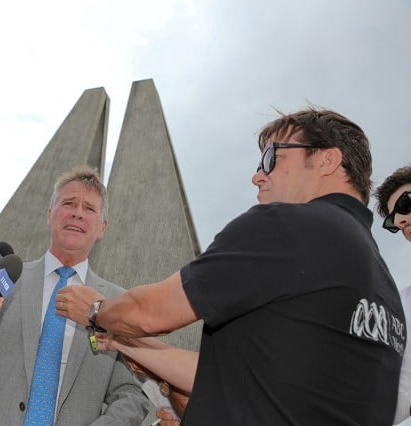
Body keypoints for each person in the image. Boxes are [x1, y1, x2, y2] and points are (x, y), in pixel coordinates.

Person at [57, 108, 404, 425]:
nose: (258, 176)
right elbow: (245, 381)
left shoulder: (287, 226)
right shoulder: (385, 289)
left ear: (327, 160)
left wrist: (96, 310)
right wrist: (125, 344)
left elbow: (150, 312)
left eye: (272, 157)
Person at [0, 165, 150, 425]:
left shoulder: (117, 306)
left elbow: (131, 394)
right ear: (50, 215)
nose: (77, 213)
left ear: (102, 228)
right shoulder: (0, 281)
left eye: (89, 208)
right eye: (68, 203)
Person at [374, 163, 411, 425]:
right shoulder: (405, 304)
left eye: (406, 203)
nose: (400, 220)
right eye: (392, 219)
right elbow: (402, 388)